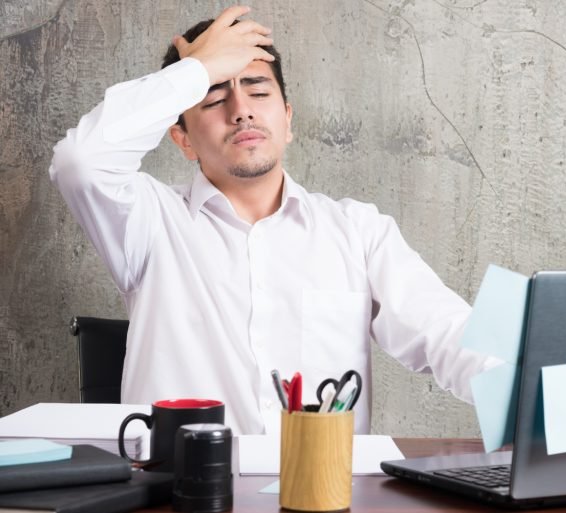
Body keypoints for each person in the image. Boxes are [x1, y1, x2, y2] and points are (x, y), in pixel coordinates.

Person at [50, 6, 492, 435]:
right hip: (183, 496)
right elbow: (80, 162)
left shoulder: (358, 232)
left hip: (321, 497)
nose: (241, 109)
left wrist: (538, 405)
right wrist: (196, 71)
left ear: (288, 119)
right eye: (215, 98)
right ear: (183, 139)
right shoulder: (149, 223)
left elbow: (452, 335)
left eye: (259, 92)